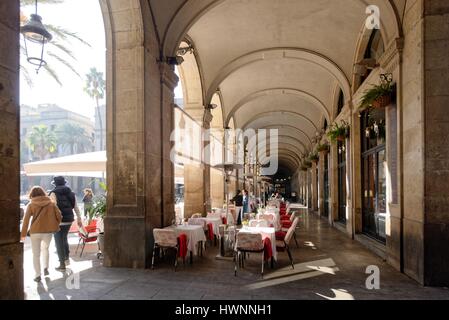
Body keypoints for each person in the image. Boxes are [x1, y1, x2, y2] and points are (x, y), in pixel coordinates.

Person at [20, 186, 62, 282]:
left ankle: (38, 275)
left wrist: (22, 235)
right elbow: (59, 216)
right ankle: (46, 268)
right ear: (43, 193)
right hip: (47, 232)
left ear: (32, 194)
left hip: (35, 232)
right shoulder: (51, 204)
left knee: (36, 254)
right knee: (45, 249)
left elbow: (26, 221)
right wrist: (53, 223)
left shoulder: (31, 205)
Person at [48, 176, 83, 271]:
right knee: (64, 238)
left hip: (59, 221)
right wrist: (79, 218)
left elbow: (53, 208)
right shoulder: (71, 193)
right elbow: (76, 207)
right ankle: (66, 259)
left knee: (58, 242)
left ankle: (62, 264)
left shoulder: (53, 193)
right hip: (69, 220)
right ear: (64, 183)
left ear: (55, 184)